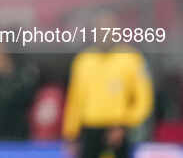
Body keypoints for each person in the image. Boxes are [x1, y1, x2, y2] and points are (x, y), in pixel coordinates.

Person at [62, 10, 154, 158]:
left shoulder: (131, 59)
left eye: (108, 28)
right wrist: (71, 134)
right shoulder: (83, 61)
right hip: (90, 129)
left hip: (119, 129)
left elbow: (144, 100)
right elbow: (75, 101)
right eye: (99, 29)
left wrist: (124, 125)